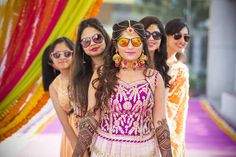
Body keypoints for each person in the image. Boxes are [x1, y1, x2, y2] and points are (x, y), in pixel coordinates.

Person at [72, 20, 172, 157]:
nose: (130, 47)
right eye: (124, 42)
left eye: (136, 42)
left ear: (143, 45)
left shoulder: (154, 78)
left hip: (144, 151)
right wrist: (76, 154)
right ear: (116, 45)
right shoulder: (101, 74)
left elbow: (160, 122)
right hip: (106, 150)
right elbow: (92, 116)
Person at [42, 37, 82, 157]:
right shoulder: (53, 87)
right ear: (51, 61)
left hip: (95, 129)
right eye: (57, 55)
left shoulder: (86, 76)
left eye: (67, 53)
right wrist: (77, 147)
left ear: (75, 55)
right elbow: (64, 121)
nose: (62, 57)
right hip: (72, 133)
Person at [70, 17, 110, 119]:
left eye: (97, 37)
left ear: (105, 37)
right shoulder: (79, 77)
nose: (92, 43)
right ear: (81, 47)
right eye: (86, 41)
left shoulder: (120, 66)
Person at [165, 18, 190, 157]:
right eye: (177, 36)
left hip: (166, 128)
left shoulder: (180, 70)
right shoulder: (149, 62)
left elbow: (177, 106)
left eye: (186, 37)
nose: (182, 40)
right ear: (166, 36)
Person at [140, 16, 171, 88]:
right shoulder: (133, 64)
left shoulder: (162, 66)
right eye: (146, 34)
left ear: (162, 39)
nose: (151, 38)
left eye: (156, 35)